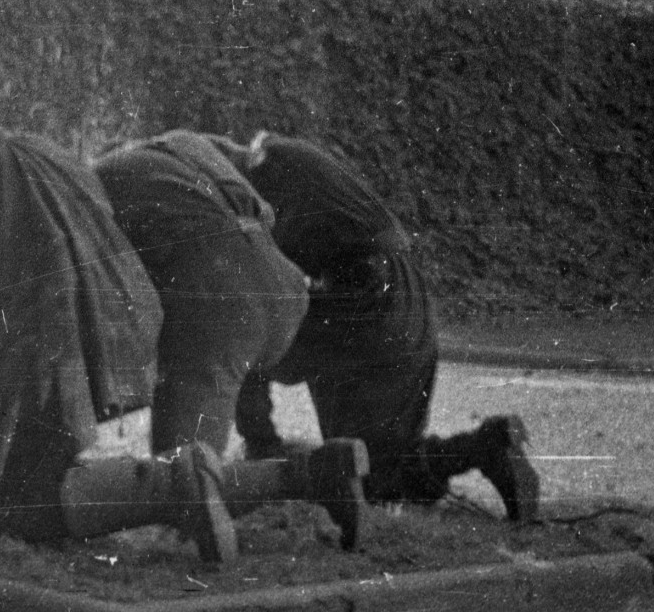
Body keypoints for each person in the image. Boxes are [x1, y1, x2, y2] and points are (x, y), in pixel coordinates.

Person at [0, 59, 239, 564]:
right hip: (96, 351)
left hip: (29, 366)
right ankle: (282, 478)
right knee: (32, 481)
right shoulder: (51, 156)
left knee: (17, 510)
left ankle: (178, 489)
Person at [209, 131, 540, 522]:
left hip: (359, 296)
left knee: (242, 329)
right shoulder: (285, 156)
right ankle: (486, 447)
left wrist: (255, 427)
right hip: (405, 291)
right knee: (381, 466)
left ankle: (262, 448)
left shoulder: (255, 191)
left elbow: (250, 309)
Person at [93, 130, 369, 549]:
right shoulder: (186, 143)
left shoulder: (98, 178)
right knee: (200, 454)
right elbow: (255, 174)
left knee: (183, 476)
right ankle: (322, 471)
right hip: (282, 284)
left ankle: (317, 477)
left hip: (223, 298)